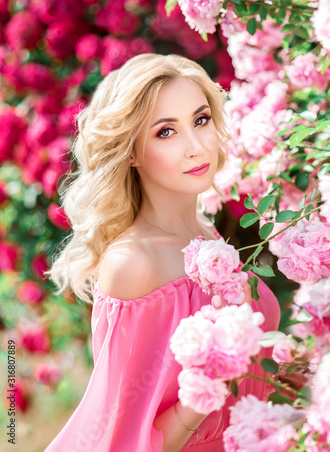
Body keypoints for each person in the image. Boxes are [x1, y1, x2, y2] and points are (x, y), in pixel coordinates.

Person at [44, 53, 280, 452]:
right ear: (131, 151)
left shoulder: (205, 231)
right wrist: (206, 388)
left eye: (200, 120)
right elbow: (121, 440)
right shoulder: (133, 265)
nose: (196, 146)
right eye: (166, 132)